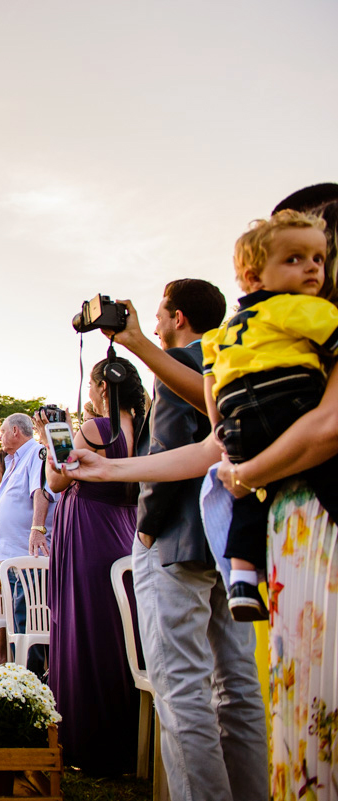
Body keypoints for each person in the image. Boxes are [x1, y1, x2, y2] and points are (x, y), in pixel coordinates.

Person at [105, 277, 266, 800]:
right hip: (230, 545)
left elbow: (166, 461)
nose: (153, 324)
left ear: (177, 318)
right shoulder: (233, 360)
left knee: (182, 692)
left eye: (159, 314)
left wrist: (147, 531)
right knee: (238, 689)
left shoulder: (179, 368)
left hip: (175, 544)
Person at [198, 210, 338, 619]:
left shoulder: (224, 330)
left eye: (318, 258)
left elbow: (212, 381)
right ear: (256, 277)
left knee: (253, 486)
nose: (313, 268)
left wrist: (221, 432)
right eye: (294, 259)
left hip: (238, 420)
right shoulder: (297, 308)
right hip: (291, 402)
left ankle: (242, 577)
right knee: (310, 466)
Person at [37, 358, 144, 776]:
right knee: (119, 632)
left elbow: (60, 480)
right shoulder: (144, 426)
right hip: (125, 528)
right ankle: (129, 736)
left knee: (83, 627)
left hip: (86, 528)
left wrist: (53, 440)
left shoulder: (97, 429)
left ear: (101, 386)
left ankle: (89, 742)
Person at [0, 413, 58, 674]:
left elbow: (40, 492)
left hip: (28, 555)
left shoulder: (35, 453)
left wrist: (37, 529)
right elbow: (5, 506)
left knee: (28, 623)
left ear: (14, 431)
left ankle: (29, 681)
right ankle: (19, 676)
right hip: (9, 555)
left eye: (0, 430)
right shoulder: (12, 462)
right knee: (17, 622)